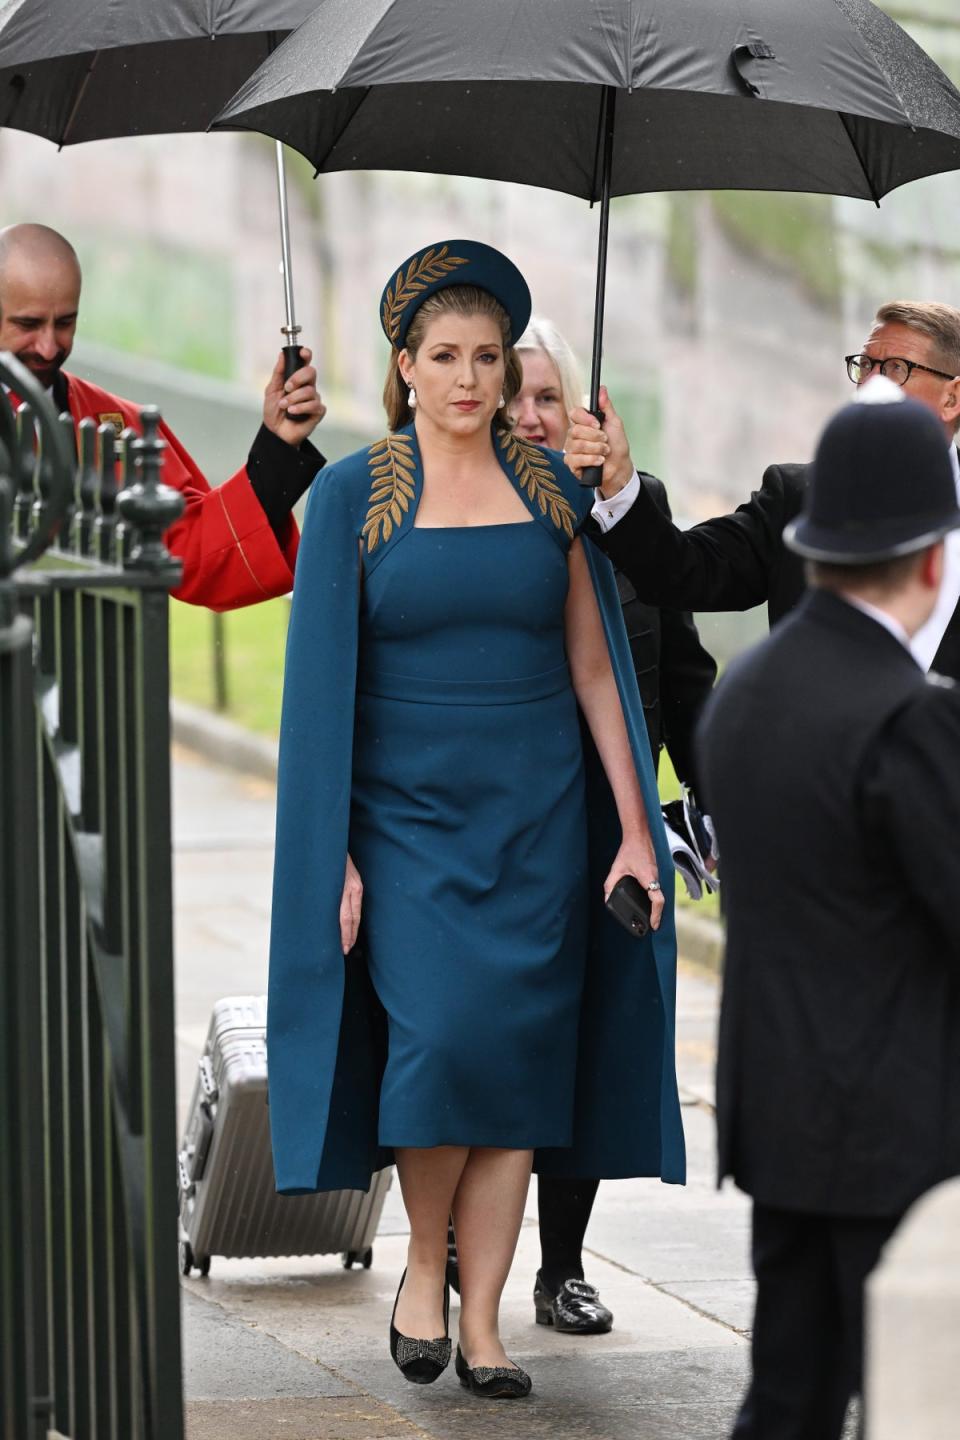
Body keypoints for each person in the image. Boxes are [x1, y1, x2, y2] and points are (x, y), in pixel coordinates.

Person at [267, 241, 685, 1401]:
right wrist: (333, 851)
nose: (467, 378)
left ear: (510, 372)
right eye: (443, 357)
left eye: (488, 358)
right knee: (441, 1044)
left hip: (539, 816)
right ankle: (421, 1268)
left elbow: (599, 674)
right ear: (403, 368)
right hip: (405, 821)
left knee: (517, 1069)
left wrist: (635, 830)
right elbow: (316, 700)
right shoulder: (353, 494)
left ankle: (488, 1324)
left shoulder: (552, 493)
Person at [696, 381, 960, 1440]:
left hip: (780, 1113)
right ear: (934, 556)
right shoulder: (906, 715)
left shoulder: (745, 692)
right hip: (893, 1128)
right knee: (916, 1401)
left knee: (790, 1398)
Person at [479, 315, 715, 1336]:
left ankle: (562, 1266)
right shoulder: (466, 513)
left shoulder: (633, 510)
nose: (532, 417)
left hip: (610, 832)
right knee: (490, 1040)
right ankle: (455, 1246)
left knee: (591, 1039)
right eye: (515, 397)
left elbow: (686, 674)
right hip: (502, 825)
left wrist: (713, 808)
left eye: (549, 398)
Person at [565, 301, 960, 680]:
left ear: (952, 398)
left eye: (896, 368)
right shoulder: (798, 496)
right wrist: (618, 482)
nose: (871, 383)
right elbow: (686, 570)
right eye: (865, 365)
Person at [0, 222, 326, 608]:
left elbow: (195, 551)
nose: (49, 347)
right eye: (28, 324)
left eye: (65, 323)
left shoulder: (117, 426)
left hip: (97, 662)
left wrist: (277, 445)